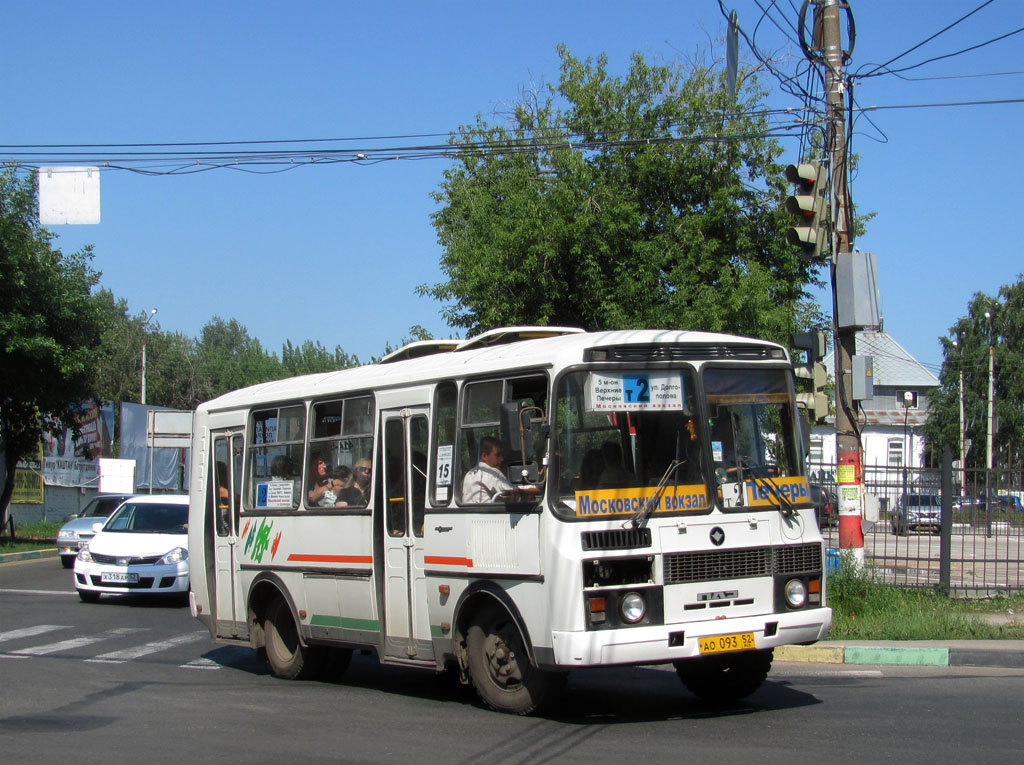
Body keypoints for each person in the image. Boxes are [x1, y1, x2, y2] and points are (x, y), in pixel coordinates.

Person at [461, 436, 539, 504]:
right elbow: (512, 490)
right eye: (498, 455)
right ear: (484, 456)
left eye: (502, 455)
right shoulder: (489, 473)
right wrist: (537, 488)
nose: (502, 459)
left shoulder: (470, 473)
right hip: (487, 516)